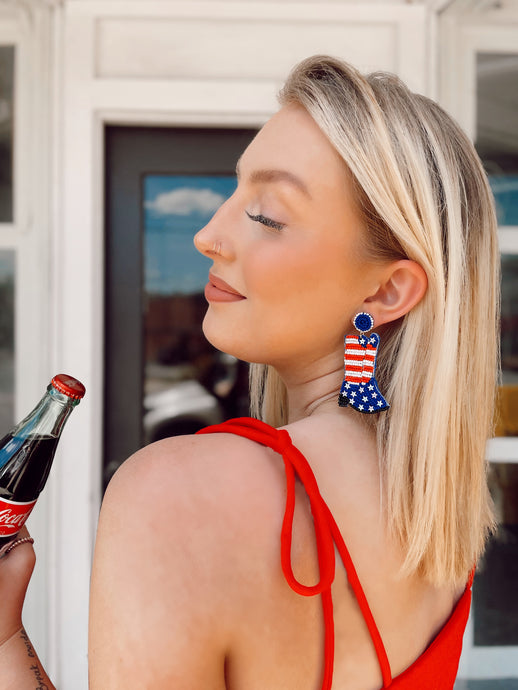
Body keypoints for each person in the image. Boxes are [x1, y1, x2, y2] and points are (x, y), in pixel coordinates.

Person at [0, 54, 499, 689]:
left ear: (387, 291)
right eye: (232, 193)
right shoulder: (437, 516)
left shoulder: (178, 491)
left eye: (266, 215)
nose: (209, 234)